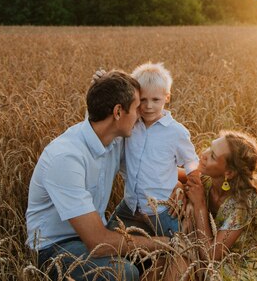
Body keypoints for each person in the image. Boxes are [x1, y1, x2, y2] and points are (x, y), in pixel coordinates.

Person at [26, 70, 168, 281]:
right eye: (137, 107)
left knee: (157, 242)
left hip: (94, 233)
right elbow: (97, 241)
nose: (140, 115)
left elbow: (154, 172)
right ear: (118, 112)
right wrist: (163, 242)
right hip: (55, 249)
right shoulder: (66, 157)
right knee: (123, 272)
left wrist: (196, 182)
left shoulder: (114, 141)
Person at [108, 62, 199, 238]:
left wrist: (190, 188)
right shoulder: (131, 125)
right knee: (109, 238)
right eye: (143, 100)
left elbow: (190, 161)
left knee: (179, 247)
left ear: (167, 97)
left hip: (162, 209)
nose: (148, 106)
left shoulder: (176, 132)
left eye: (155, 100)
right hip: (130, 205)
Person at [171, 130, 257, 281]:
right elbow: (166, 174)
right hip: (205, 252)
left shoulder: (244, 204)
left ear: (229, 173)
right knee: (164, 267)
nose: (204, 154)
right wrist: (177, 185)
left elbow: (211, 256)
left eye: (212, 155)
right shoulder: (207, 179)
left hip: (239, 267)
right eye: (210, 147)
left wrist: (200, 205)